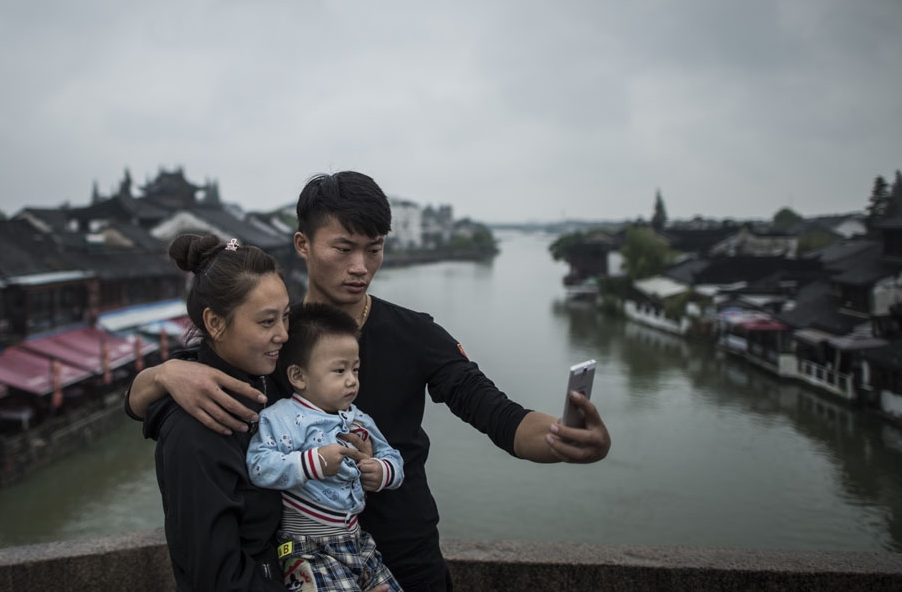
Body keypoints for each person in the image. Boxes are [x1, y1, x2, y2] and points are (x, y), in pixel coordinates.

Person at [129, 172, 612, 592]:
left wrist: (562, 438)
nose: (360, 266)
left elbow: (496, 413)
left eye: (373, 249)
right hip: (312, 567)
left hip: (408, 558)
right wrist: (164, 372)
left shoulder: (416, 334)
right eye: (343, 248)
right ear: (303, 245)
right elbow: (163, 407)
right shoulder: (274, 341)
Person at [141, 233, 291, 591]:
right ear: (215, 323)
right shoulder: (197, 430)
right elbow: (217, 576)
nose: (284, 334)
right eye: (267, 322)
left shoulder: (259, 383)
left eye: (286, 317)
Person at [246, 302, 404, 592]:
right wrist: (313, 462)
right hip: (309, 549)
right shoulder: (281, 417)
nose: (351, 380)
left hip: (358, 540)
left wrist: (381, 471)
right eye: (339, 370)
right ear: (298, 376)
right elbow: (259, 465)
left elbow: (393, 457)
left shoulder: (358, 418)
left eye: (355, 369)